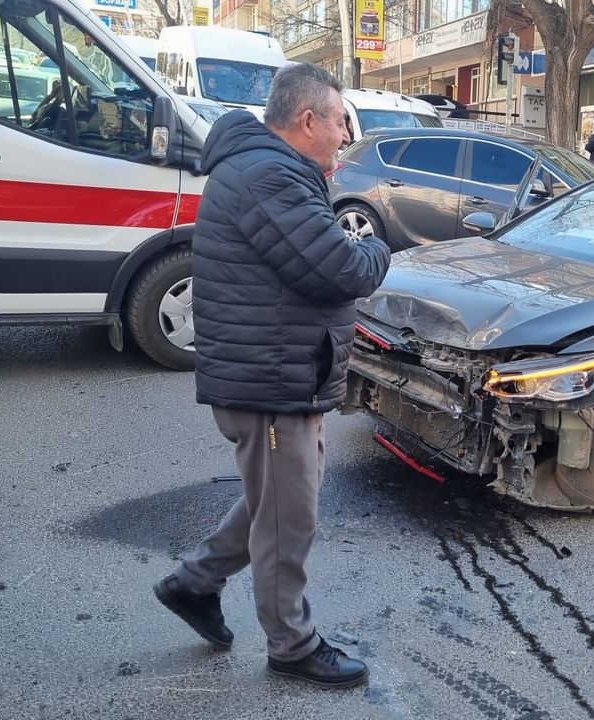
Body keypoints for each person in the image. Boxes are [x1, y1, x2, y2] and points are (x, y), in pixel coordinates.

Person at [153, 64, 390, 689]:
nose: (346, 135)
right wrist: (378, 246)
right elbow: (341, 269)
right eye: (340, 122)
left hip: (281, 373)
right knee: (290, 518)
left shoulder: (269, 169)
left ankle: (194, 583)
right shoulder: (269, 175)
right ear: (308, 121)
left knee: (277, 501)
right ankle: (291, 644)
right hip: (271, 382)